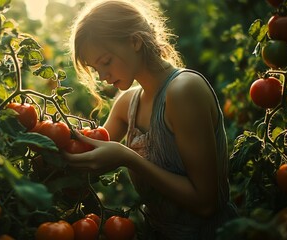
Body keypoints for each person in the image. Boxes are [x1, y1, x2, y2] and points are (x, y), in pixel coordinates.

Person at [63, 0, 238, 239]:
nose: (103, 76)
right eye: (96, 69)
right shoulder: (128, 103)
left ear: (135, 41)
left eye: (106, 62)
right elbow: (87, 154)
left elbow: (205, 203)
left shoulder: (184, 90)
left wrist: (128, 158)